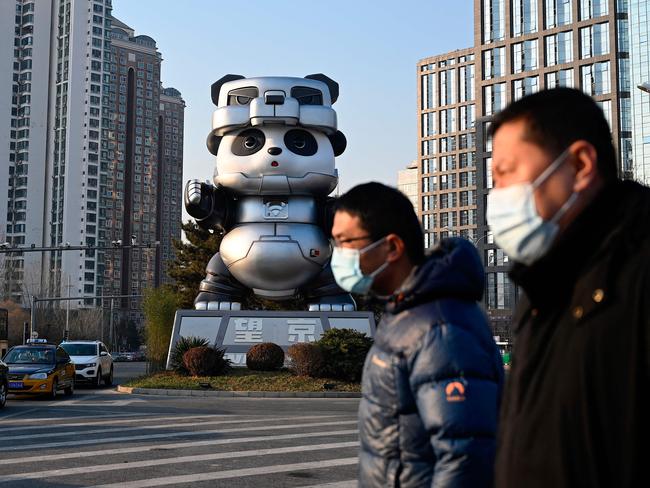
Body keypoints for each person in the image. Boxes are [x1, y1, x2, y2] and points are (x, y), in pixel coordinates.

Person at [488, 88, 650, 488]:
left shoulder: (638, 275)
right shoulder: (541, 293)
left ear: (579, 164)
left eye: (507, 173)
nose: (498, 196)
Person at [331, 182, 504, 487]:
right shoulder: (405, 312)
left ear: (393, 247)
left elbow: (465, 458)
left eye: (347, 242)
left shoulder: (441, 328)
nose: (339, 255)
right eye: (335, 242)